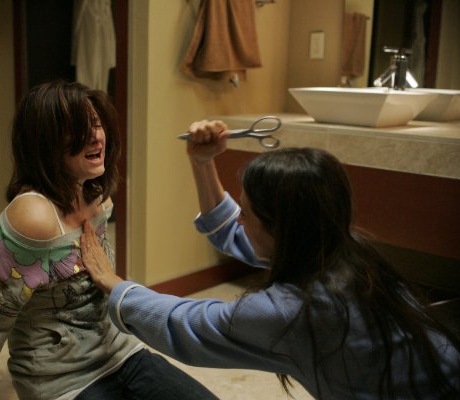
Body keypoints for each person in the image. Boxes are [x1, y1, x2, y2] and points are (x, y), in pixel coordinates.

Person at [81, 119, 460, 399]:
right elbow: (236, 233)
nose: (238, 220)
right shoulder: (344, 249)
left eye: (246, 213)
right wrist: (202, 162)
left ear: (280, 228)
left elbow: (186, 323)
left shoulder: (292, 309)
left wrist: (115, 284)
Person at [0, 82, 218, 400]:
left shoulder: (97, 195)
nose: (95, 136)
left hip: (120, 352)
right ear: (44, 143)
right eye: (78, 129)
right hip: (60, 379)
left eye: (96, 124)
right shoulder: (33, 217)